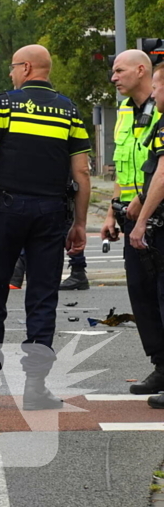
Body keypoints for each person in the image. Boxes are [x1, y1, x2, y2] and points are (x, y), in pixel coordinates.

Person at [0, 44, 90, 410]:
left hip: (6, 210)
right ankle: (35, 387)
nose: (10, 74)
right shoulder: (69, 111)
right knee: (42, 297)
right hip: (51, 214)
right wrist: (79, 223)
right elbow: (80, 171)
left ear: (28, 68)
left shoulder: (5, 105)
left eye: (14, 67)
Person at [113, 51, 164, 398]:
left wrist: (144, 212)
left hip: (151, 215)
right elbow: (124, 164)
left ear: (142, 70)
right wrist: (112, 212)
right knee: (143, 296)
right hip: (136, 213)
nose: (113, 77)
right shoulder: (122, 113)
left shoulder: (160, 110)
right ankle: (160, 365)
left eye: (119, 70)